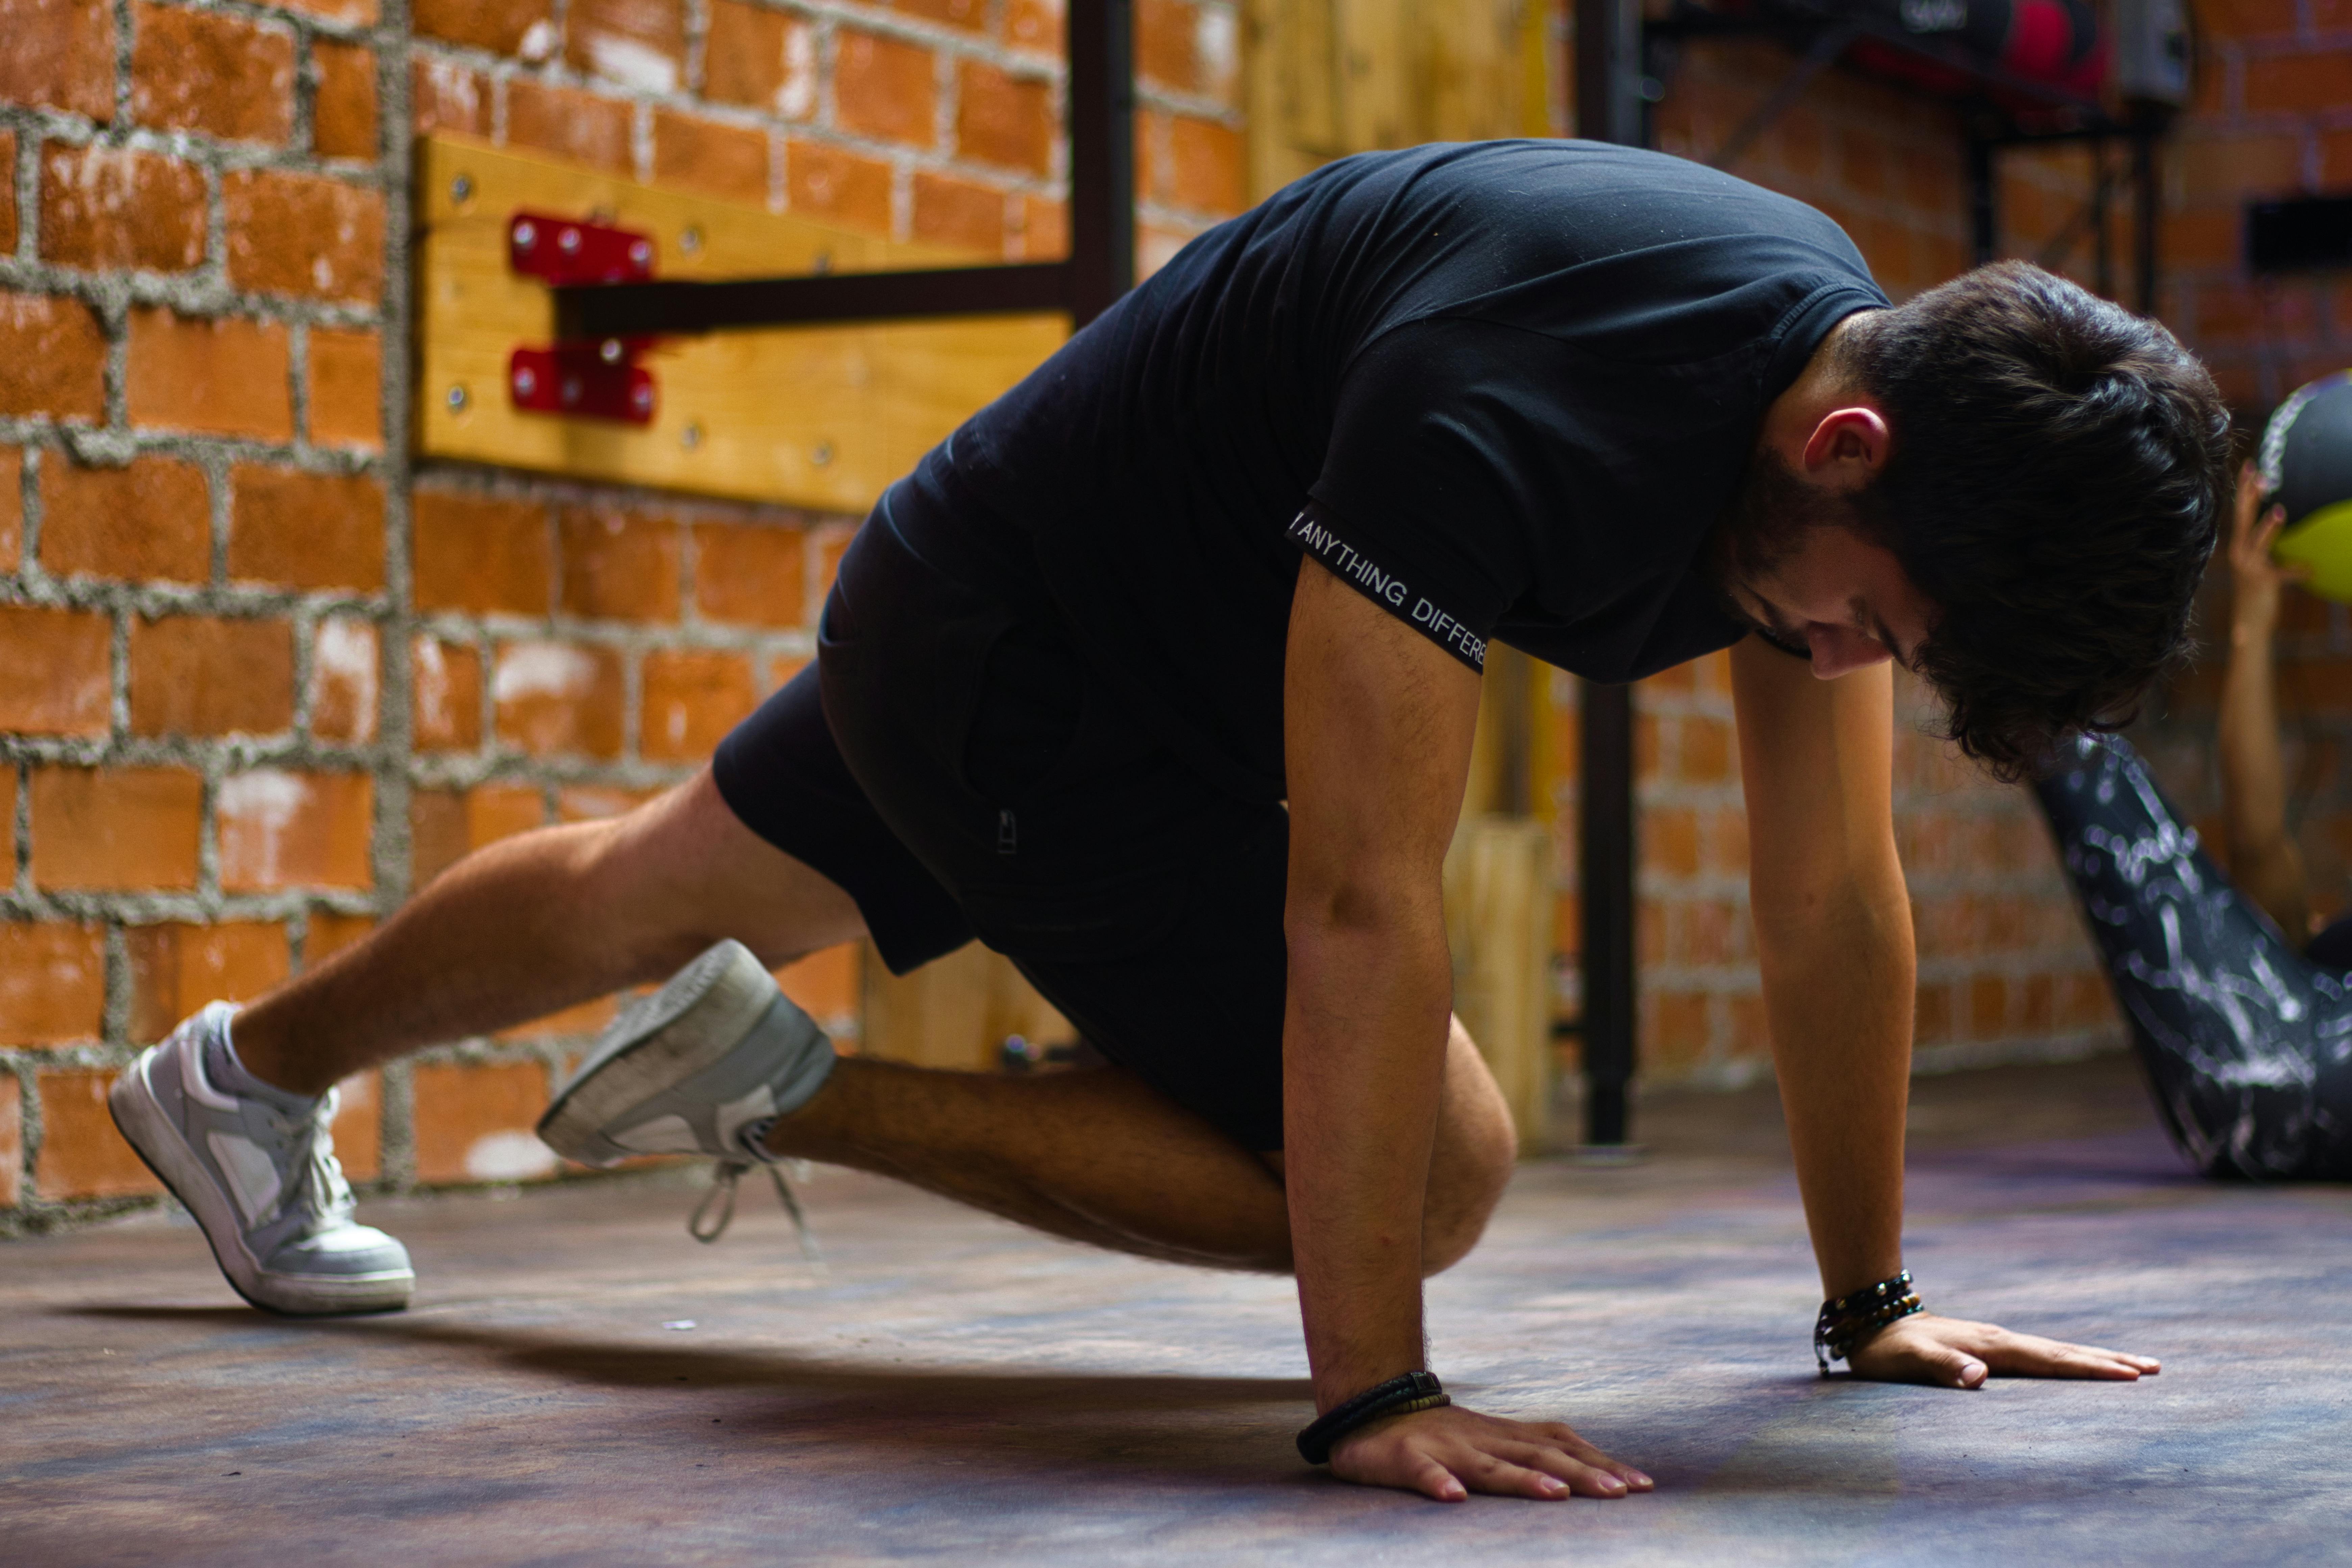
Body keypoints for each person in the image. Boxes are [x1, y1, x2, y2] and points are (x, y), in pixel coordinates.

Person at [109, 142, 2225, 1504]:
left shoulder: (1833, 406)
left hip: (1018, 596)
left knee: (650, 882)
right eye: (1871, 627)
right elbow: (1362, 903)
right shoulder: (1511, 404)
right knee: (1434, 1161)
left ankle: (236, 1076)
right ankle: (797, 1093)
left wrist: (1867, 1300)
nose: (1846, 664)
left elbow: (1829, 899)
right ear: (1843, 447)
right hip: (1030, 656)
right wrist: (1372, 1385)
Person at [2032, 374, 2352, 1179]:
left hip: (2269, 1088)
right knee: (2058, 721)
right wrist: (2252, 616)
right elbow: (2259, 845)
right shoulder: (2318, 980)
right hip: (2282, 1072)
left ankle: (2007, 620)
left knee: (2047, 707)